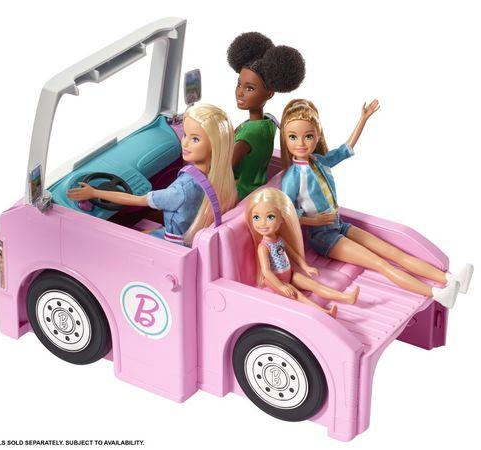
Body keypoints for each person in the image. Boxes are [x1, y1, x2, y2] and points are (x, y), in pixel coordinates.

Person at [280, 99, 473, 307]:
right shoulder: (292, 177)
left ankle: (452, 279)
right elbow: (287, 214)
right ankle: (437, 294)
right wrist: (315, 221)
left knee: (394, 253)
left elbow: (345, 149)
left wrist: (363, 119)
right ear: (285, 138)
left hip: (339, 225)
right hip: (323, 238)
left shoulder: (319, 161)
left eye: (308, 136)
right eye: (293, 137)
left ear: (317, 135)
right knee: (380, 263)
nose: (301, 143)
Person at [68, 104, 237, 246]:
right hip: (191, 240)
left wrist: (94, 192)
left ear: (214, 145)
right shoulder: (222, 178)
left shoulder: (182, 190)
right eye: (185, 135)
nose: (184, 142)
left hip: (174, 245)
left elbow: (136, 200)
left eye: (195, 139)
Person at [246, 187, 360, 317]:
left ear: (281, 219)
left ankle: (347, 298)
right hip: (275, 280)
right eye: (256, 217)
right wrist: (281, 286)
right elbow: (266, 272)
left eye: (270, 217)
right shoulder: (263, 247)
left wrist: (306, 267)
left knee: (314, 285)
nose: (262, 223)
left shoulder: (279, 239)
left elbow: (294, 255)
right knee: (297, 296)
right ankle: (325, 313)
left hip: (289, 274)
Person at [227, 32, 305, 200]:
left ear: (269, 94)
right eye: (239, 84)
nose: (240, 92)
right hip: (257, 188)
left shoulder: (248, 135)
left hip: (238, 193)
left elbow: (224, 169)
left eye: (249, 88)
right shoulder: (269, 122)